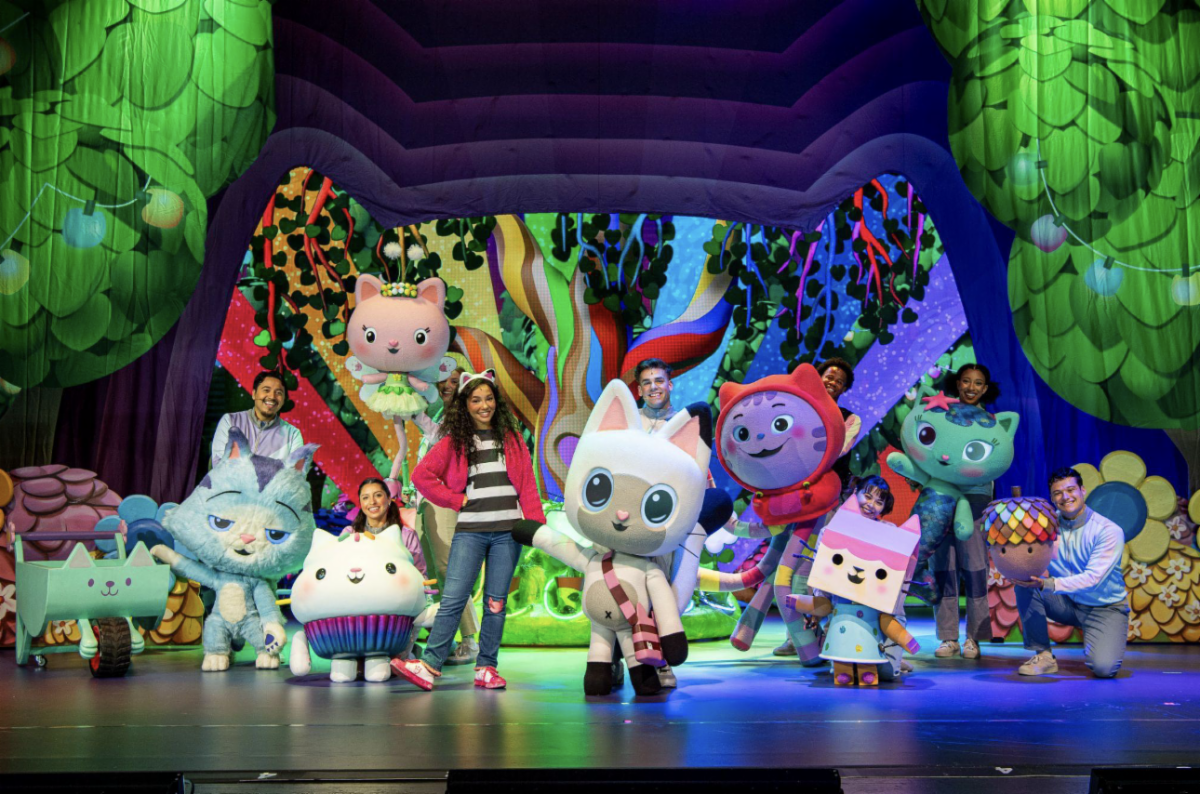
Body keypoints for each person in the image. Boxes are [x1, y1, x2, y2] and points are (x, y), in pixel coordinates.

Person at [394, 371, 546, 690]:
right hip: (471, 531)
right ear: (465, 404)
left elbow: (528, 486)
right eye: (476, 400)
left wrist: (536, 529)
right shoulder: (456, 442)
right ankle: (429, 665)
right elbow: (422, 475)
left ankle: (486, 668)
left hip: (508, 533)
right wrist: (454, 499)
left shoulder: (511, 438)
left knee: (495, 603)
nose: (484, 405)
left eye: (488, 398)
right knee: (453, 599)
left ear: (496, 402)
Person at [772, 358, 860, 658]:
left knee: (815, 568)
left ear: (844, 389)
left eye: (839, 381)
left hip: (827, 502)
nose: (832, 382)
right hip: (795, 499)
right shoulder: (798, 408)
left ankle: (820, 633)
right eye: (829, 376)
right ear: (819, 376)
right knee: (789, 567)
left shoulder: (849, 419)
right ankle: (796, 635)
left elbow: (837, 449)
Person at [1013, 467, 1129, 678]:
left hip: (1103, 608)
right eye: (1057, 493)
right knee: (1025, 584)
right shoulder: (1045, 526)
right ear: (1052, 498)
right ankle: (1044, 656)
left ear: (1082, 490)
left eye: (1070, 490)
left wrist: (1048, 584)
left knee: (1104, 669)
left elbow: (1093, 579)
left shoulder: (1108, 530)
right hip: (1066, 603)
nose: (1065, 497)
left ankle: (1099, 639)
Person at [406, 367, 482, 666]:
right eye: (444, 381)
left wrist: (412, 409)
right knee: (436, 575)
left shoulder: (465, 419)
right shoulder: (442, 416)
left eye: (454, 381)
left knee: (451, 570)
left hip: (446, 500)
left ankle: (470, 640)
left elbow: (438, 439)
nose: (447, 386)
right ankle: (445, 638)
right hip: (425, 502)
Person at [929, 363, 1002, 661]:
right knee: (943, 567)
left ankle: (975, 637)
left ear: (985, 388)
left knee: (974, 567)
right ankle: (948, 637)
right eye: (966, 381)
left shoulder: (992, 422)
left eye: (978, 383)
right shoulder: (942, 416)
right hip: (943, 496)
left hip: (975, 498)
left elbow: (996, 460)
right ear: (958, 384)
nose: (972, 387)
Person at [211, 371, 305, 468]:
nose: (272, 397)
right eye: (266, 390)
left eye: (278, 393)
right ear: (254, 394)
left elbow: (296, 474)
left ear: (283, 400)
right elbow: (219, 466)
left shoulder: (293, 435)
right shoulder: (230, 421)